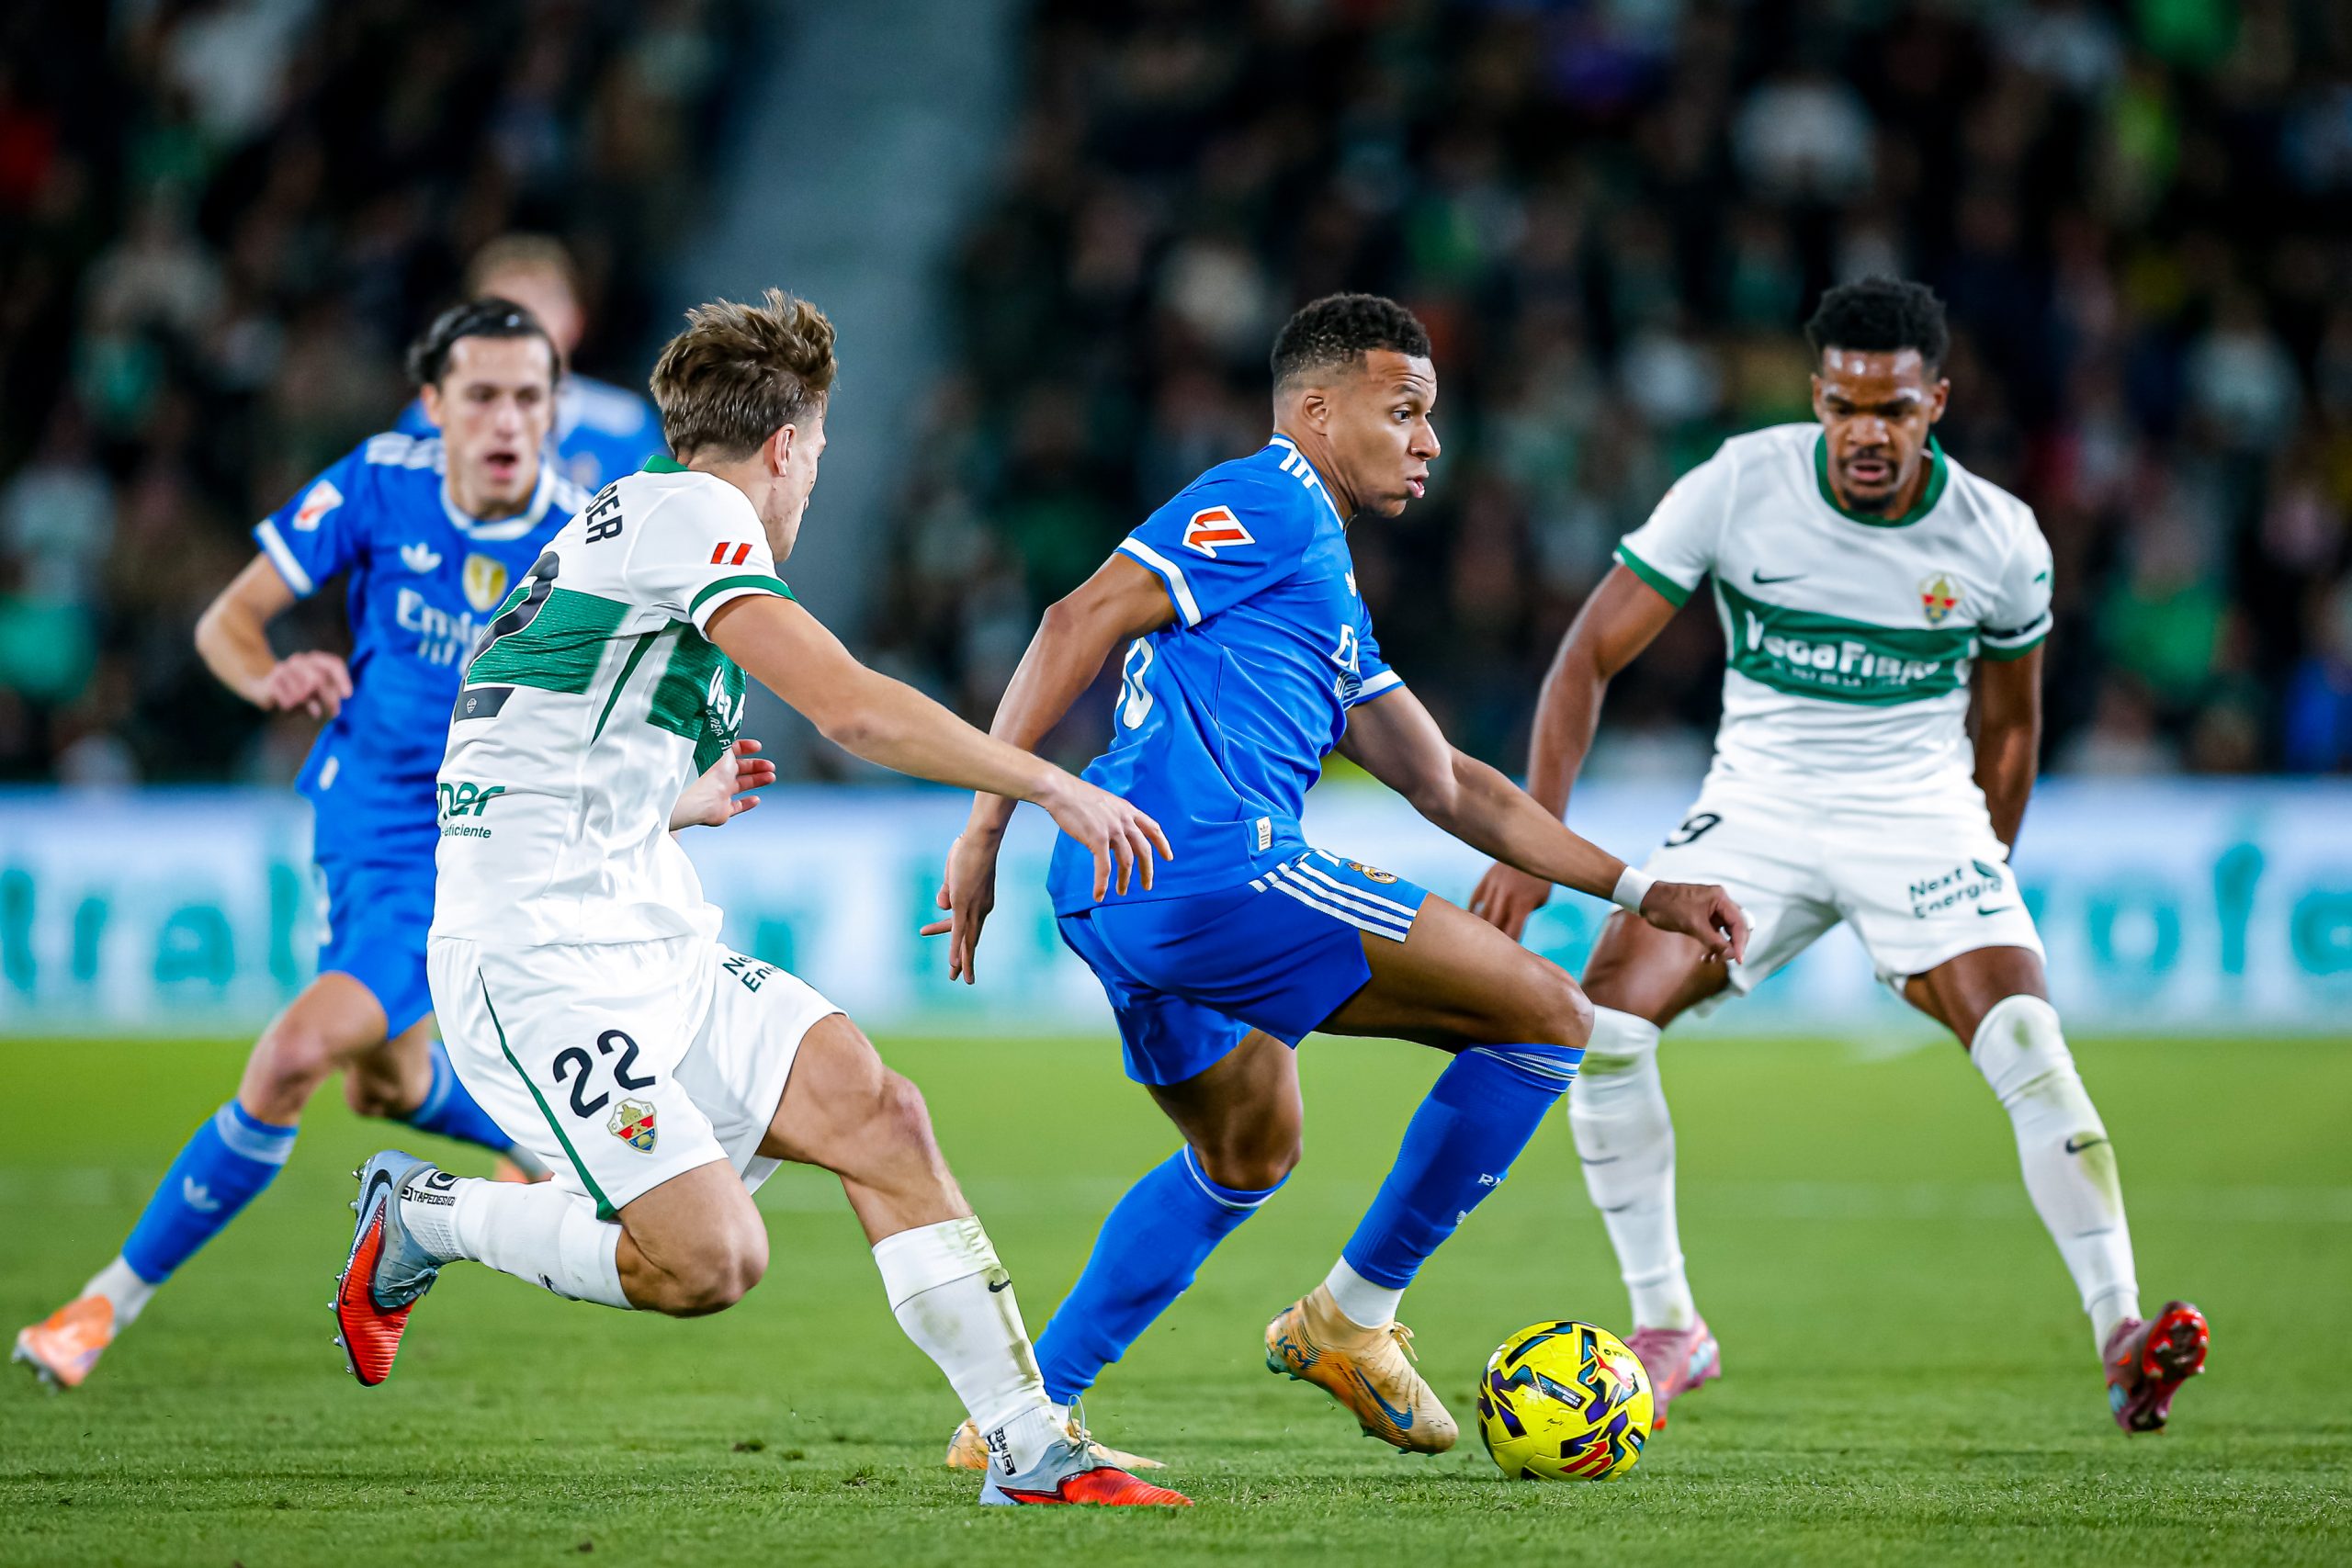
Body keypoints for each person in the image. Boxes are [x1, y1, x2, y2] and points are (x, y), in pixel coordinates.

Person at [334, 290, 1187, 1509]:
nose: (813, 481)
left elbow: (507, 716)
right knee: (709, 1258)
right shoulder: (694, 516)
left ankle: (1031, 1447)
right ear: (788, 445)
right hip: (536, 966)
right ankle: (430, 1213)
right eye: (820, 453)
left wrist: (665, 801)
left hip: (649, 929)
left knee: (880, 1112)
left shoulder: (627, 518)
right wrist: (1048, 780)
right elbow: (849, 704)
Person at [925, 293, 1747, 1465]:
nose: (1428, 440)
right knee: (1550, 1017)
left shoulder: (1321, 587)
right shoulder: (1271, 496)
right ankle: (1348, 1321)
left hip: (1110, 891)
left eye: (1432, 417)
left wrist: (1637, 889)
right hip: (1210, 869)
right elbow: (1076, 618)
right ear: (1315, 411)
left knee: (1246, 1152)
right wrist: (979, 826)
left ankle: (1018, 1413)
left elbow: (1450, 786)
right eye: (1402, 411)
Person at [1468, 276, 2208, 1435]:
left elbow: (2010, 727)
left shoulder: (1998, 538)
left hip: (1916, 815)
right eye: (1847, 407)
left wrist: (1981, 870)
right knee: (1599, 1026)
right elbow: (1584, 655)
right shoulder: (1737, 485)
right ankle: (1668, 1327)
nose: (1868, 432)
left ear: (1936, 405)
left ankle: (2121, 1333)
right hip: (1755, 810)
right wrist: (1534, 833)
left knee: (2023, 1035)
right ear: (1818, 397)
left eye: (1895, 411)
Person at [16, 300, 587, 1389]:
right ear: (434, 407)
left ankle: (99, 1307)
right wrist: (270, 673)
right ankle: (540, 1147)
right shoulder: (378, 480)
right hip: (359, 814)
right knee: (386, 1079)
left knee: (290, 1057)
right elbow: (227, 620)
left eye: (529, 396)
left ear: (556, 409)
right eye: (482, 395)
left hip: (474, 842)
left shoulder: (584, 537)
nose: (508, 419)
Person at [397, 234, 665, 490]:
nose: (528, 324)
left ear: (576, 320)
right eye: (505, 309)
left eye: (543, 302)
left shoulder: (624, 425)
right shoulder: (431, 421)